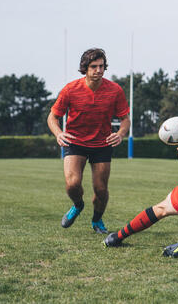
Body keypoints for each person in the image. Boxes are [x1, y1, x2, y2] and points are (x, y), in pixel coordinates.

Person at [47, 48, 130, 234]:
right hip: (75, 142)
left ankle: (97, 220)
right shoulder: (70, 89)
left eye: (101, 66)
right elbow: (52, 117)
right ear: (85, 68)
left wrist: (121, 134)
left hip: (102, 144)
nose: (99, 70)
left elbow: (125, 119)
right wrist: (59, 133)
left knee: (101, 190)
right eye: (94, 66)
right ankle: (77, 205)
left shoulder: (115, 90)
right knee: (72, 184)